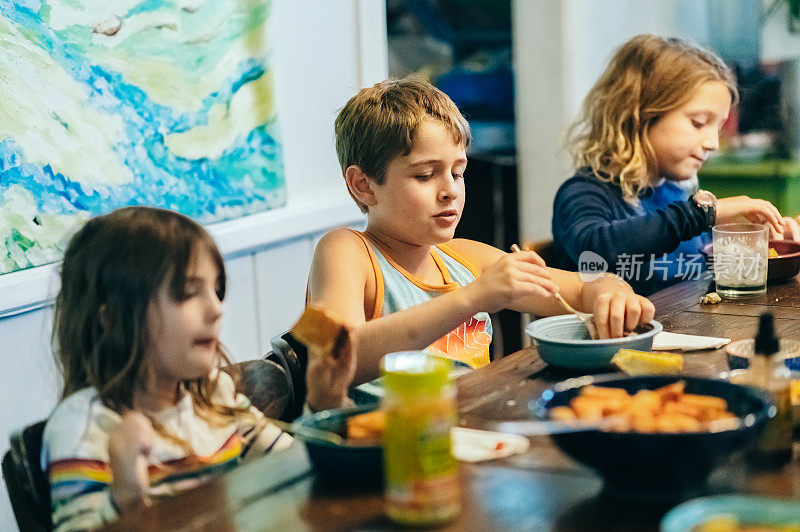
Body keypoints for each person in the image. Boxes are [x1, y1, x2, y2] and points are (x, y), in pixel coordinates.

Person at [307, 77, 655, 385]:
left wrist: (611, 293)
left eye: (458, 173)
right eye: (425, 175)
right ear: (363, 185)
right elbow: (339, 359)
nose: (450, 190)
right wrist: (472, 298)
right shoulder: (346, 251)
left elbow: (583, 291)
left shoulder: (466, 258)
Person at [41, 206, 354, 531]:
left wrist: (325, 403)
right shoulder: (85, 428)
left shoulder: (217, 399)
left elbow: (293, 472)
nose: (217, 308)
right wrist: (125, 500)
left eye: (217, 290)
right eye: (187, 293)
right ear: (112, 319)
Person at [552, 34, 799, 296]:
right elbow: (595, 249)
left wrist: (764, 246)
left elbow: (700, 271)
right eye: (699, 122)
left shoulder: (675, 193)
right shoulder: (582, 194)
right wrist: (702, 214)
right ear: (641, 113)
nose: (713, 143)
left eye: (717, 127)